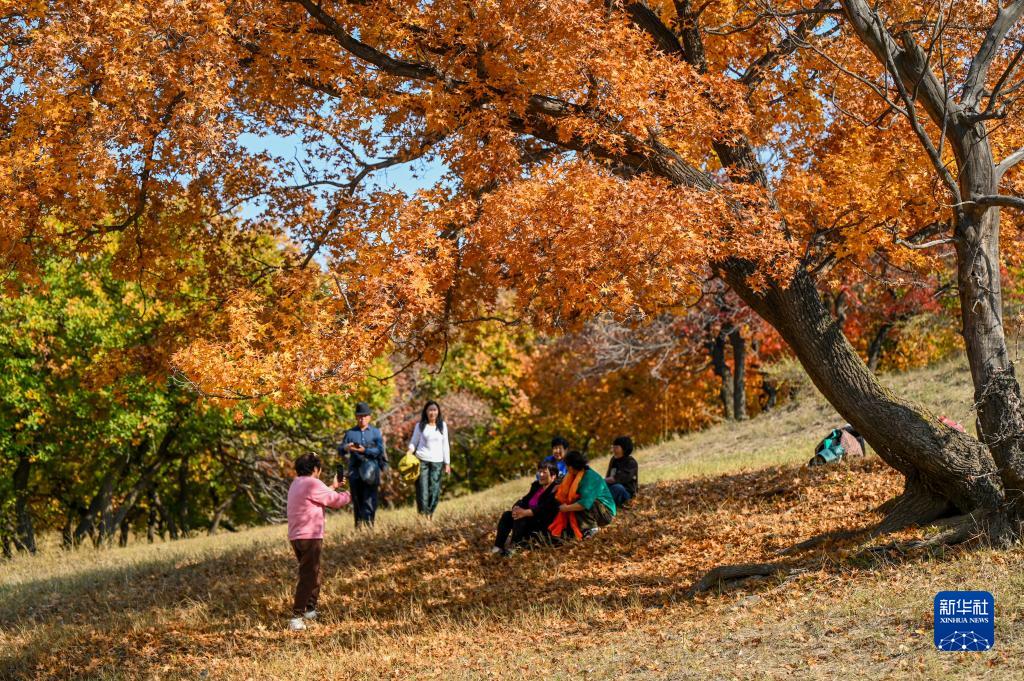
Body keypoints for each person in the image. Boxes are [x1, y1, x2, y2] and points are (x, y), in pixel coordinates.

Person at [286, 452, 351, 631]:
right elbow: (335, 501)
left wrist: (332, 485)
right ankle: (296, 616)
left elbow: (319, 496)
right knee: (308, 575)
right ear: (315, 469)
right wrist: (350, 494)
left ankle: (310, 609)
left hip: (296, 536)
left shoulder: (296, 483)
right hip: (310, 536)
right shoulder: (312, 483)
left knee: (313, 572)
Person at [492, 460, 561, 555]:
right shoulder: (537, 486)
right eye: (539, 471)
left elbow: (545, 509)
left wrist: (525, 512)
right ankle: (497, 547)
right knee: (507, 515)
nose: (540, 474)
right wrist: (516, 507)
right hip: (528, 520)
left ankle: (514, 549)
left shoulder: (555, 489)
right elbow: (524, 500)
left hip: (541, 525)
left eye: (544, 472)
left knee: (521, 517)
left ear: (553, 476)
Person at [338, 401, 388, 529]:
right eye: (360, 416)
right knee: (357, 500)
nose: (362, 419)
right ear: (356, 417)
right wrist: (347, 448)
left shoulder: (376, 433)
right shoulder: (350, 433)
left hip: (372, 470)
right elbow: (340, 450)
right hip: (355, 471)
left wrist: (364, 450)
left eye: (365, 416)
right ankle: (359, 527)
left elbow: (379, 451)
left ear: (369, 417)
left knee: (371, 500)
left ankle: (370, 525)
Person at [549, 450, 616, 540]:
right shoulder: (574, 474)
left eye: (567, 465)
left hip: (606, 513)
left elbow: (584, 504)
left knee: (578, 502)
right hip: (595, 510)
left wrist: (566, 508)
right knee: (573, 501)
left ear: (571, 467)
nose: (566, 468)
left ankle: (591, 529)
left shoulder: (590, 477)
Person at [407, 400, 451, 519]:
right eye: (430, 410)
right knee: (422, 490)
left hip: (437, 462)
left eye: (434, 410)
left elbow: (445, 445)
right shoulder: (420, 425)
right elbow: (414, 442)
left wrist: (447, 463)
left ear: (438, 412)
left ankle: (430, 514)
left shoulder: (443, 426)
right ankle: (422, 516)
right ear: (426, 412)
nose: (432, 412)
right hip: (422, 460)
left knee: (435, 490)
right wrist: (409, 453)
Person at [605, 435, 638, 507]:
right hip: (613, 489)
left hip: (626, 494)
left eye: (616, 448)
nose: (614, 450)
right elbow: (608, 477)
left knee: (618, 487)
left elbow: (617, 479)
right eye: (613, 447)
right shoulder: (613, 460)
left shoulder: (631, 462)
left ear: (624, 449)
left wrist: (601, 480)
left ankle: (604, 505)